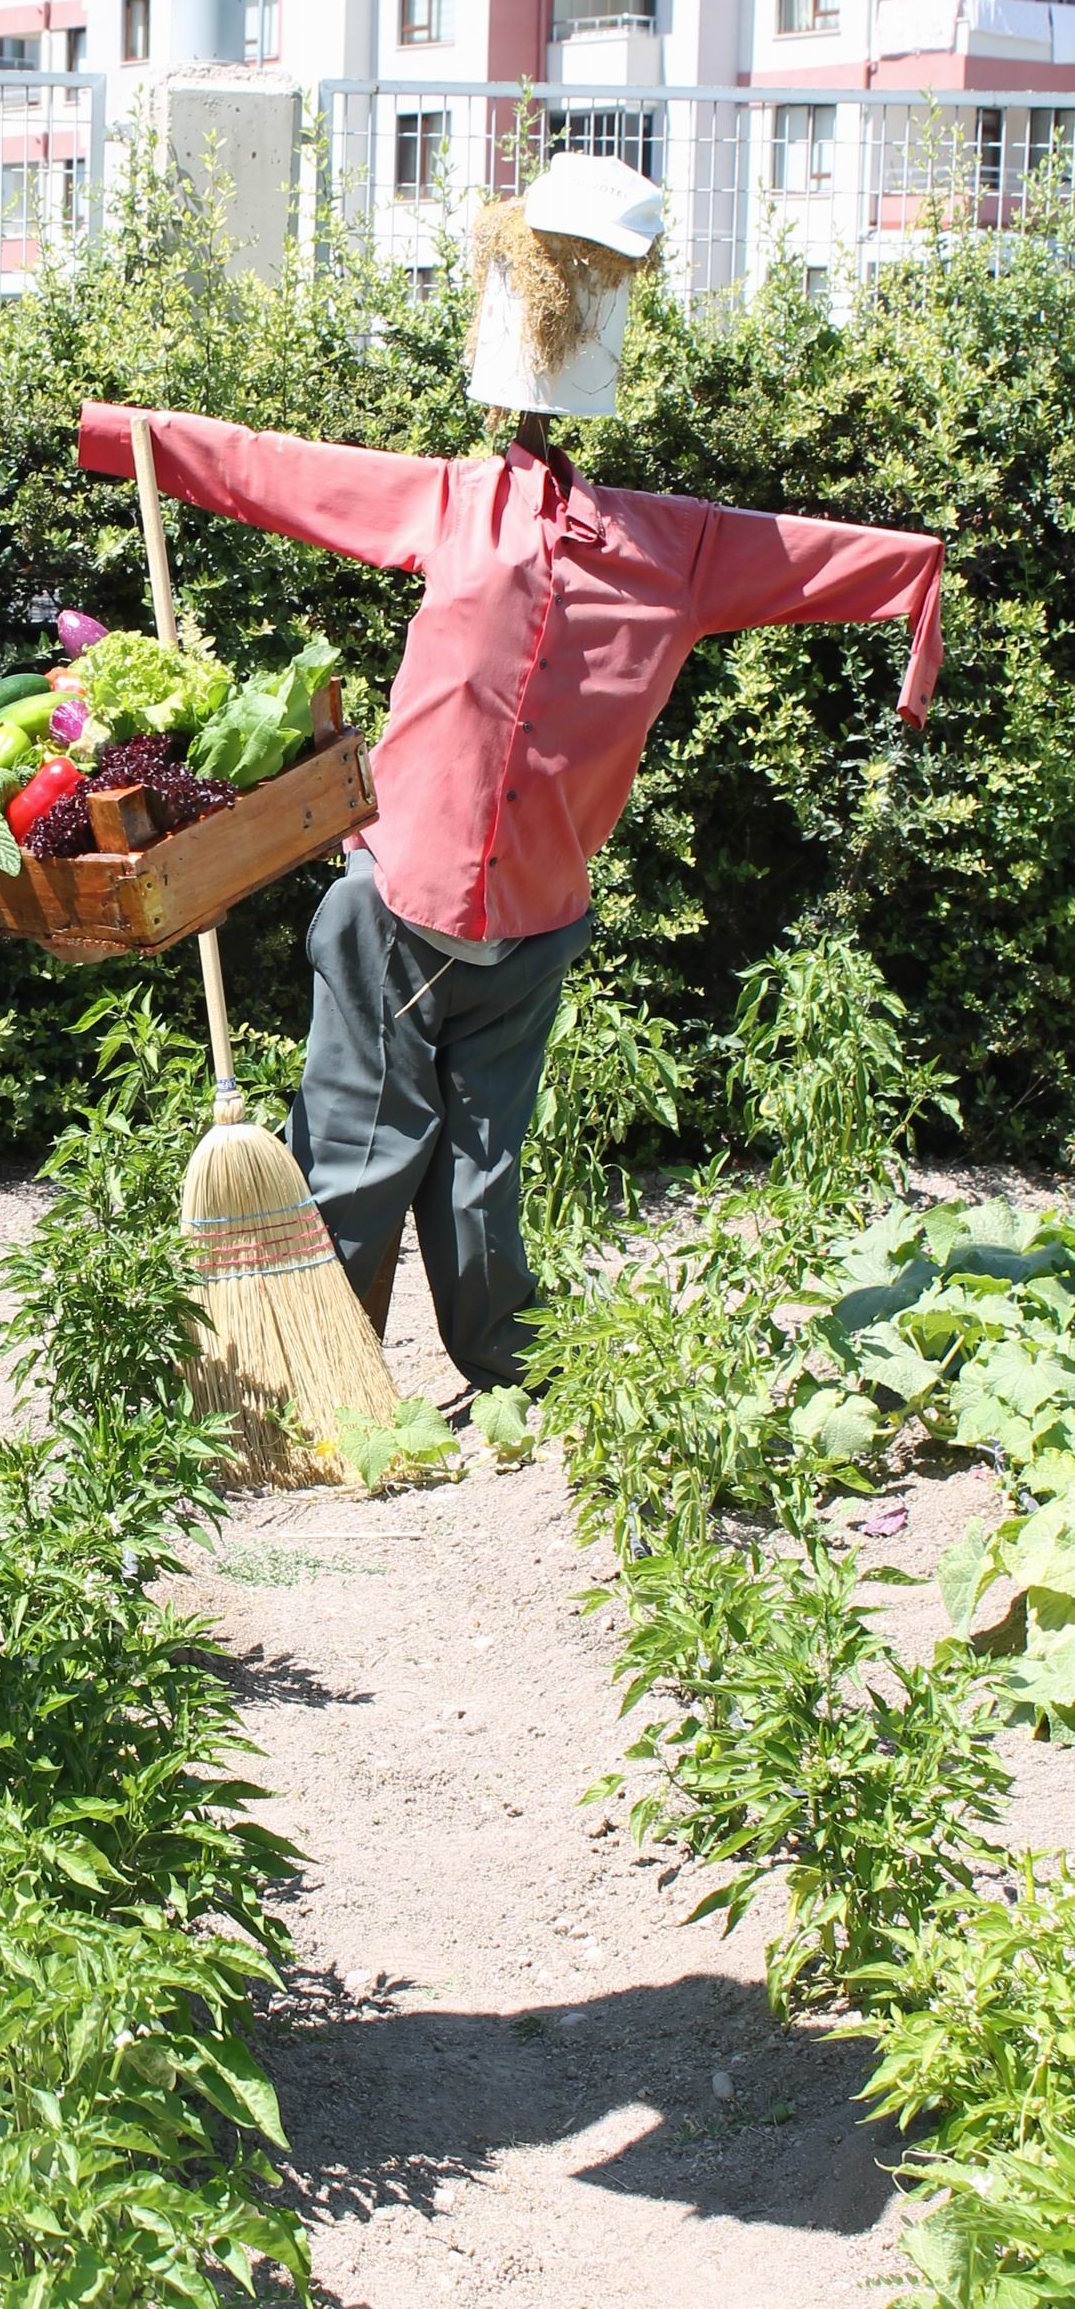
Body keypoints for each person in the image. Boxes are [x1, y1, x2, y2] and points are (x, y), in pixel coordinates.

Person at [78, 155, 946, 1388]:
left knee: (463, 1169)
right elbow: (286, 475)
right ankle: (336, 1378)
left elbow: (842, 559)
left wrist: (914, 591)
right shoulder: (467, 506)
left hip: (527, 919)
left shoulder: (674, 549)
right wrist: (138, 443)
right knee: (368, 1151)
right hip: (397, 907)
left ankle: (484, 1374)